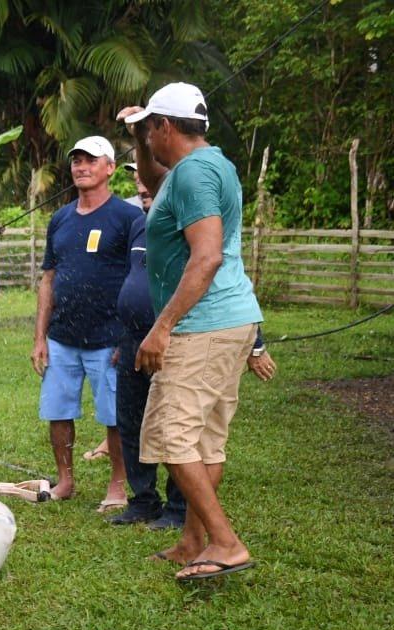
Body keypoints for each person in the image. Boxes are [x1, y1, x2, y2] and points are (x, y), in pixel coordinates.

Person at [121, 83, 265, 581]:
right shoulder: (205, 165)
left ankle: (225, 542)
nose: (149, 140)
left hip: (201, 326)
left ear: (166, 126)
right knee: (205, 440)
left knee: (171, 435)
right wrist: (138, 141)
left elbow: (206, 257)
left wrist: (162, 328)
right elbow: (154, 179)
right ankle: (192, 541)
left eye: (150, 129)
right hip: (227, 322)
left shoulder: (196, 175)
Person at [31, 136, 141, 506]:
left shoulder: (128, 218)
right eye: (76, 160)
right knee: (58, 411)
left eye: (91, 160)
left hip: (109, 337)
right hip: (63, 336)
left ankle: (117, 485)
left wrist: (128, 336)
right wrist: (40, 337)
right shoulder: (60, 219)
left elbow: (140, 278)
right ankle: (65, 480)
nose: (81, 166)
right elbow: (48, 279)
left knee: (114, 416)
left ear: (109, 167)